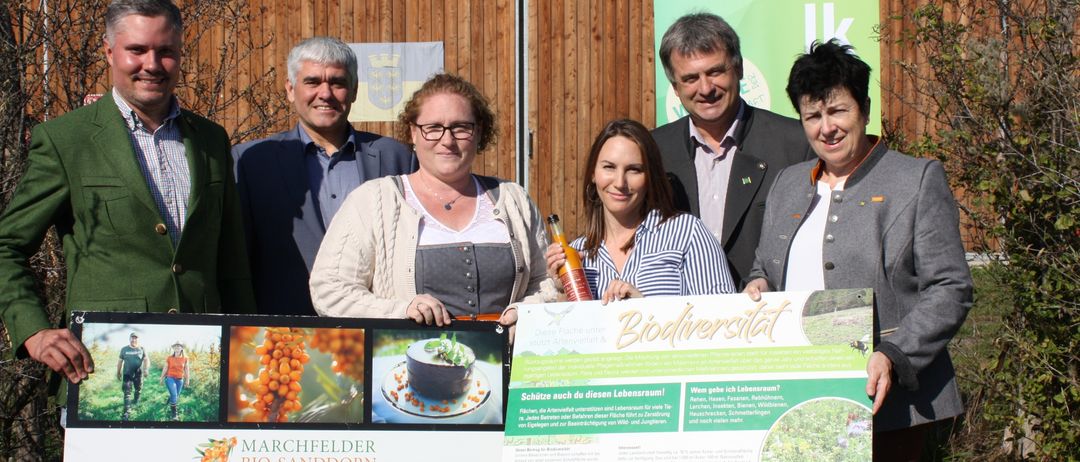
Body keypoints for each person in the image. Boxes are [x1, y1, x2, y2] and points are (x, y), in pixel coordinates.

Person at [0, 0, 254, 395]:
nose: (151, 64)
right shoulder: (68, 140)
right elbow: (7, 245)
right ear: (109, 51)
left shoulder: (210, 140)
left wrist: (247, 346)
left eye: (165, 52)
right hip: (98, 373)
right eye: (137, 50)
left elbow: (231, 260)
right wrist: (33, 331)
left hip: (203, 371)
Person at [744, 40, 973, 460]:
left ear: (864, 109)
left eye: (837, 111)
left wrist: (894, 353)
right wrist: (757, 283)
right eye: (812, 116)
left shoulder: (916, 178)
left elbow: (950, 287)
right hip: (797, 398)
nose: (825, 127)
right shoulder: (786, 184)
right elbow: (765, 266)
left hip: (891, 407)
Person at [309, 73, 558, 327]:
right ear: (413, 133)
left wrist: (525, 313)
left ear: (479, 132)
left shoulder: (513, 199)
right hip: (408, 361)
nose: (447, 140)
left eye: (461, 127)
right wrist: (401, 310)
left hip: (507, 362)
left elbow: (545, 281)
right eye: (433, 128)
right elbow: (329, 289)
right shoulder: (373, 201)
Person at [233, 37, 415, 316]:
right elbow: (238, 260)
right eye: (312, 82)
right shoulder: (251, 161)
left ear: (354, 91)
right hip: (285, 329)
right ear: (290, 89)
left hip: (376, 327)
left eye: (337, 83)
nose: (325, 93)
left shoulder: (397, 158)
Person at [652, 13, 814, 288]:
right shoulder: (654, 150)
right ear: (675, 89)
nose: (705, 88)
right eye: (690, 78)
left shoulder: (797, 144)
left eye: (715, 72)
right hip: (681, 321)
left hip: (769, 316)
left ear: (738, 69)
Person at [544, 119, 736, 304]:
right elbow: (574, 332)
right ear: (593, 174)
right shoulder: (578, 252)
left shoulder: (687, 233)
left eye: (634, 170)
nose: (620, 183)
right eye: (609, 167)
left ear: (650, 177)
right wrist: (563, 290)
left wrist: (644, 312)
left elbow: (724, 321)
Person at [117, 333, 149, 421]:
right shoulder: (124, 349)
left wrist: (146, 369)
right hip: (127, 374)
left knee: (138, 388)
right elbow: (120, 361)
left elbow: (146, 359)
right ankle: (127, 411)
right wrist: (118, 372)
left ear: (138, 339)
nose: (133, 340)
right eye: (132, 338)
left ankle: (136, 400)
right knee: (127, 391)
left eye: (135, 338)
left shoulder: (142, 349)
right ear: (129, 339)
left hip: (138, 373)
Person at [159, 340, 189, 421]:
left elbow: (186, 369)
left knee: (176, 395)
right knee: (175, 395)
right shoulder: (169, 358)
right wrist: (161, 378)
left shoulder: (185, 358)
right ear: (173, 348)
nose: (177, 347)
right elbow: (165, 368)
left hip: (180, 380)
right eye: (175, 346)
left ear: (181, 348)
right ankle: (174, 414)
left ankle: (170, 400)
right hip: (170, 378)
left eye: (179, 346)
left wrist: (187, 380)